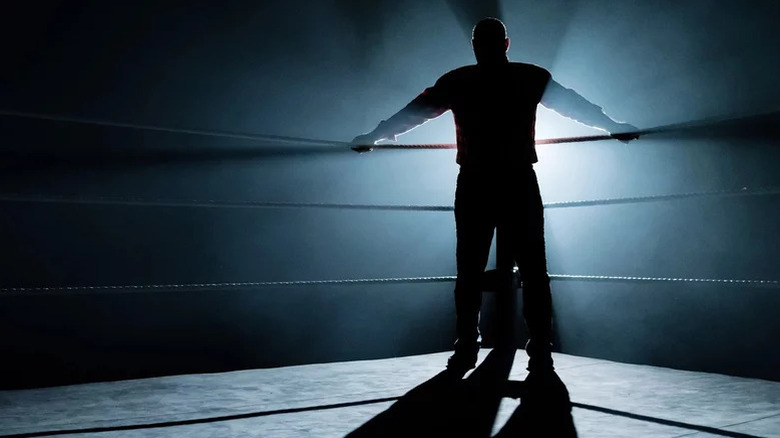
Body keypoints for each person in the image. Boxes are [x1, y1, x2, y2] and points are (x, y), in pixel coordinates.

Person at [352, 17, 638, 374]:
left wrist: (375, 136)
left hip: (475, 182)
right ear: (506, 43)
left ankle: (468, 345)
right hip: (518, 180)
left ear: (477, 45)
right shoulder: (528, 76)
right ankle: (539, 348)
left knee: (470, 268)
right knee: (533, 268)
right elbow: (574, 105)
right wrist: (613, 127)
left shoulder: (460, 80)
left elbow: (415, 113)